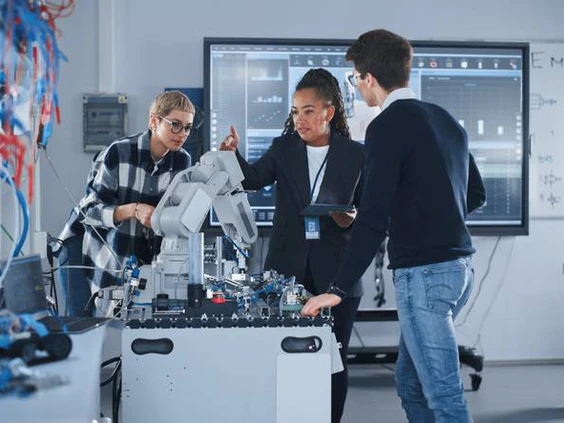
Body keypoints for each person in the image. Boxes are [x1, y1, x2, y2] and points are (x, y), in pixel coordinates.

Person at [301, 30, 487, 423]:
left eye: (354, 78)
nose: (356, 86)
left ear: (369, 78)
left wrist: (336, 289)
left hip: (424, 276)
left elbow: (373, 217)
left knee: (443, 394)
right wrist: (425, 216)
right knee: (411, 385)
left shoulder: (386, 126)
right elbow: (475, 195)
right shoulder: (446, 120)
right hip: (459, 271)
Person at [220, 68, 364, 423]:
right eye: (296, 111)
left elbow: (370, 210)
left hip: (337, 270)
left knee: (335, 358)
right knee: (286, 356)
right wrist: (232, 155)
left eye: (309, 111)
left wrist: (351, 217)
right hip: (287, 270)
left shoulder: (356, 154)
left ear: (329, 112)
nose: (300, 119)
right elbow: (253, 179)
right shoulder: (283, 148)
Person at [58, 90, 195, 308]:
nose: (183, 133)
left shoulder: (182, 162)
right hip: (87, 246)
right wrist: (134, 210)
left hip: (132, 249)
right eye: (175, 124)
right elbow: (89, 211)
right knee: (83, 322)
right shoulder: (118, 152)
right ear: (154, 121)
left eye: (188, 127)